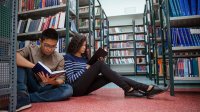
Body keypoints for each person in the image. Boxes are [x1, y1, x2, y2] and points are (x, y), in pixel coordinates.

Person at [64, 35, 168, 98]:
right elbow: (71, 79)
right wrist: (86, 68)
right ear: (76, 44)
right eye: (82, 45)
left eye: (85, 45)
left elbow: (89, 76)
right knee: (100, 64)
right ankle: (138, 89)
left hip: (86, 88)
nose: (84, 48)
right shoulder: (68, 57)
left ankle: (140, 89)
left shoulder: (84, 58)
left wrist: (94, 66)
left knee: (109, 75)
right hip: (75, 89)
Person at [8, 28, 73, 111]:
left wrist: (51, 81)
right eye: (47, 45)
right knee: (21, 64)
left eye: (53, 46)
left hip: (47, 87)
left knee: (68, 89)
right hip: (31, 83)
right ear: (40, 41)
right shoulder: (31, 49)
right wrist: (33, 66)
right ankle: (21, 94)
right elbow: (15, 57)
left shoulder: (60, 58)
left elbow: (61, 80)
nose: (50, 49)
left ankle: (28, 98)